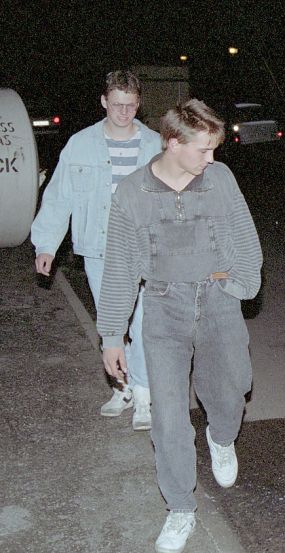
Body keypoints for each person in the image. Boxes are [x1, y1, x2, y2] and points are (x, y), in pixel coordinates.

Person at [96, 98, 262, 553]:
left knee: (233, 389)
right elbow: (120, 268)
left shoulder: (220, 179)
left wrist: (241, 286)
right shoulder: (132, 193)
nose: (212, 159)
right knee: (168, 417)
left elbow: (245, 235)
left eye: (214, 149)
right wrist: (113, 335)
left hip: (218, 300)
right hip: (164, 308)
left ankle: (221, 436)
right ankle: (180, 507)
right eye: (203, 150)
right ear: (172, 143)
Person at [31, 70, 161, 430]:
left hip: (143, 249)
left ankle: (144, 394)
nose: (124, 113)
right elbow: (60, 197)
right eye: (117, 105)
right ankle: (123, 388)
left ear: (139, 104)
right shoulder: (80, 145)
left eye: (131, 106)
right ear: (104, 101)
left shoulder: (154, 145)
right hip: (100, 249)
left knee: (145, 322)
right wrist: (46, 244)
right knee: (112, 326)